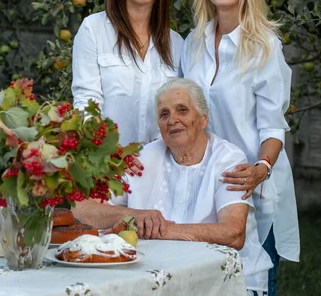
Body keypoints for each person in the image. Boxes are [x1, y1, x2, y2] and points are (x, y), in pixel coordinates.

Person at [74, 78, 272, 293]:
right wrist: (131, 214)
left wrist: (160, 229)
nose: (172, 120)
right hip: (153, 278)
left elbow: (233, 233)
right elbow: (81, 208)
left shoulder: (228, 159)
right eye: (164, 114)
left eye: (182, 110)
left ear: (203, 119)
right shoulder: (142, 158)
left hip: (222, 278)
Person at [180, 0, 300, 296]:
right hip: (203, 184)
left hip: (251, 182)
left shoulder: (265, 45)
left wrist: (260, 168)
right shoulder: (193, 42)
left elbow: (273, 126)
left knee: (253, 283)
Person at [71, 0, 184, 163]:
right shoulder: (94, 30)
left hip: (159, 168)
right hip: (106, 166)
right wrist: (105, 152)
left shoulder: (177, 44)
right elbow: (86, 100)